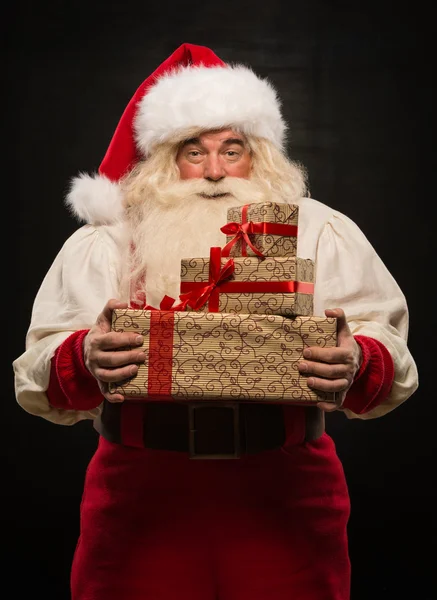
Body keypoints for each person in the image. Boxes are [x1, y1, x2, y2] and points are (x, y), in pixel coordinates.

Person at [13, 42, 418, 600]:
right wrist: (84, 354)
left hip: (286, 491)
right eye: (193, 151)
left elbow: (385, 339)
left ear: (259, 155)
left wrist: (358, 359)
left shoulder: (319, 229)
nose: (212, 171)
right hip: (140, 494)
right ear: (165, 160)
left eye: (233, 150)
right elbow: (37, 366)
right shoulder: (109, 240)